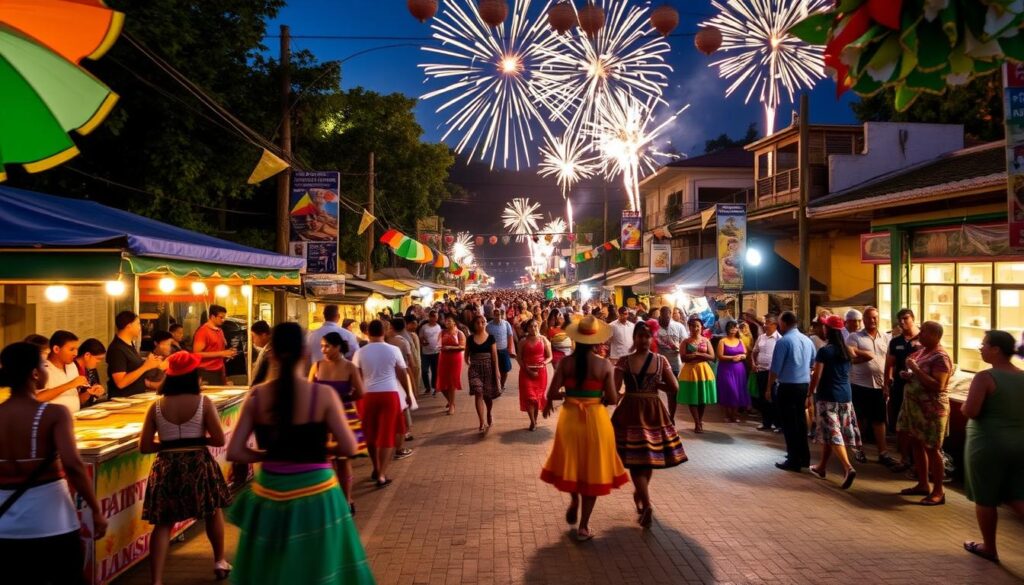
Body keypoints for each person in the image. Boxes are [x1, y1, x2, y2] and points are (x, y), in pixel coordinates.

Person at [227, 323, 372, 584]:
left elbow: (236, 451)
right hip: (318, 495)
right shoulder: (323, 395)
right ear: (305, 354)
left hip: (269, 495)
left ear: (272, 354)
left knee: (271, 571)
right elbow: (349, 447)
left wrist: (268, 454)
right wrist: (318, 448)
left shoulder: (257, 396)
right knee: (319, 570)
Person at [0, 342, 107, 583]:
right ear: (36, 374)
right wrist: (96, 511)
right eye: (43, 365)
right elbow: (73, 465)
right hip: (52, 519)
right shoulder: (53, 414)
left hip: (4, 524)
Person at [139, 352, 232, 583]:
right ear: (193, 376)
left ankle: (157, 580)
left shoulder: (156, 406)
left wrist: (170, 442)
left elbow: (145, 446)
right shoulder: (204, 403)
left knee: (163, 522)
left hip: (167, 465)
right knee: (212, 511)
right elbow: (219, 440)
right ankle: (219, 561)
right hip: (198, 463)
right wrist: (198, 440)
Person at [540, 315, 629, 542]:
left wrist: (567, 395)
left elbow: (551, 393)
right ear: (597, 342)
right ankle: (583, 526)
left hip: (570, 419)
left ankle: (574, 500)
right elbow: (611, 398)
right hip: (596, 422)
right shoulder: (604, 365)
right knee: (593, 471)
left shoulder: (566, 363)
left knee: (572, 464)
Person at [612, 322, 687, 528]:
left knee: (637, 460)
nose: (644, 340)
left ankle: (646, 503)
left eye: (646, 337)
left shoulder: (624, 362)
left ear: (649, 339)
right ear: (635, 338)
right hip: (653, 409)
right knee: (647, 457)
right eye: (641, 336)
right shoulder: (660, 360)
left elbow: (615, 389)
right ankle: (642, 495)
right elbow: (674, 387)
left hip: (631, 410)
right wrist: (655, 385)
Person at [960, 330, 1024, 563]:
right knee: (1016, 494)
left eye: (984, 344)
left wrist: (965, 406)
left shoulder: (985, 377)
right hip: (1019, 443)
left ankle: (989, 547)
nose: (981, 347)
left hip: (988, 444)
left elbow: (972, 411)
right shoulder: (1022, 376)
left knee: (985, 496)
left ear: (996, 349)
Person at [309, 332, 367, 515]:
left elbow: (361, 392)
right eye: (322, 346)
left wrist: (345, 398)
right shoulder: (316, 366)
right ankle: (331, 500)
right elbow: (309, 391)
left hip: (344, 417)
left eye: (327, 346)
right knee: (326, 462)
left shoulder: (350, 367)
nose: (323, 350)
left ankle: (347, 499)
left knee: (343, 461)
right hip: (322, 419)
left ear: (337, 347)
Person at [895, 321, 952, 506]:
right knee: (917, 444)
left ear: (936, 335)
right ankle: (922, 483)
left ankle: (938, 491)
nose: (920, 335)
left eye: (925, 332)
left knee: (932, 448)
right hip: (916, 408)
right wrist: (909, 374)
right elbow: (917, 375)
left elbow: (938, 385)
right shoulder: (922, 352)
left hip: (931, 410)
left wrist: (916, 369)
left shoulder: (940, 357)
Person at [353, 320, 412, 487]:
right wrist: (407, 393)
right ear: (383, 332)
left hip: (368, 395)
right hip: (389, 394)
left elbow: (357, 376)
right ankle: (381, 474)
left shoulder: (360, 352)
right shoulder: (393, 350)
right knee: (387, 435)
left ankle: (376, 467)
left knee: (371, 435)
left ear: (368, 333)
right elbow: (402, 373)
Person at [807, 315, 861, 490]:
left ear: (827, 330)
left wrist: (809, 392)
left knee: (834, 433)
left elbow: (817, 375)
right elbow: (868, 356)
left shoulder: (825, 351)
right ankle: (822, 467)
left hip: (828, 396)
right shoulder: (848, 350)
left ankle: (847, 467)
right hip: (846, 396)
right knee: (830, 433)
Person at [768, 311, 816, 472]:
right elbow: (812, 363)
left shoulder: (784, 341)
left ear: (784, 323)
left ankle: (793, 459)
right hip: (803, 385)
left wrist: (768, 387)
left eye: (780, 323)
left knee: (789, 423)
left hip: (788, 386)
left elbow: (775, 368)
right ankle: (804, 457)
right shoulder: (807, 340)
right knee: (801, 422)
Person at [846, 307, 894, 466]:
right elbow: (850, 358)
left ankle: (883, 452)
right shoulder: (854, 337)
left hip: (879, 386)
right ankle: (858, 450)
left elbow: (889, 362)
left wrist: (887, 382)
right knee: (859, 419)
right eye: (869, 318)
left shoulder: (886, 338)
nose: (872, 320)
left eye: (875, 317)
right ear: (863, 320)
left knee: (879, 420)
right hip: (859, 385)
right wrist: (863, 358)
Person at [883, 308, 922, 472]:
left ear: (913, 319)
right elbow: (889, 364)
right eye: (900, 319)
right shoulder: (895, 341)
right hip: (899, 387)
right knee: (901, 424)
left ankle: (919, 461)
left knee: (917, 424)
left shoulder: (923, 340)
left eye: (906, 318)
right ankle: (904, 458)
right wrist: (886, 384)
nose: (903, 322)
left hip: (919, 388)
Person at [38, 330, 103, 413]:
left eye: (76, 349)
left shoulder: (72, 366)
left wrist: (89, 393)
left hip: (74, 417)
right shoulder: (43, 368)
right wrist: (70, 384)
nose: (76, 353)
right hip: (52, 422)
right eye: (72, 349)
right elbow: (37, 398)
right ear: (56, 349)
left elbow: (77, 400)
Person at [108, 312, 166, 398]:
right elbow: (121, 383)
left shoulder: (130, 344)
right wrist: (145, 366)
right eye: (138, 324)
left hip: (136, 396)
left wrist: (150, 362)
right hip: (123, 400)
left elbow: (133, 368)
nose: (140, 327)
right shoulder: (117, 349)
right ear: (129, 326)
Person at [677, 315, 717, 433]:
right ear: (689, 327)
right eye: (693, 326)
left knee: (702, 397)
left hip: (704, 371)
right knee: (693, 397)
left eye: (698, 326)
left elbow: (712, 357)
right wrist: (700, 356)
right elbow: (683, 357)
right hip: (690, 371)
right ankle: (697, 422)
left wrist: (698, 355)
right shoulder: (685, 341)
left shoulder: (706, 340)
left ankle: (699, 420)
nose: (695, 328)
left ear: (702, 327)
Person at [467, 315, 502, 434]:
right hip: (475, 369)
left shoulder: (491, 338)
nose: (480, 324)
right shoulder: (470, 338)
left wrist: (496, 370)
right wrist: (470, 362)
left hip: (488, 368)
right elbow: (466, 354)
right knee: (478, 392)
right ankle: (481, 422)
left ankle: (488, 412)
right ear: (474, 325)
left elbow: (494, 356)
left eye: (483, 322)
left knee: (487, 395)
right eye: (478, 323)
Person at [517, 318, 552, 431]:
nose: (533, 328)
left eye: (535, 326)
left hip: (540, 372)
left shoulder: (544, 340)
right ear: (527, 328)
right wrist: (527, 369)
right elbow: (519, 358)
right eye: (531, 326)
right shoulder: (523, 341)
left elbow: (549, 356)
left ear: (538, 326)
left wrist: (543, 363)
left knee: (537, 398)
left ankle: (535, 420)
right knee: (529, 396)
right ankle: (532, 421)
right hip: (526, 371)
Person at [192, 305, 237, 386]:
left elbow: (220, 350)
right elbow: (196, 354)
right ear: (212, 316)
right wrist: (222, 353)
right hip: (206, 371)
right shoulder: (203, 331)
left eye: (224, 317)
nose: (223, 320)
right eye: (221, 317)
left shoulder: (219, 330)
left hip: (219, 370)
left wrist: (228, 353)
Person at [656, 307, 688, 420]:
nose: (666, 318)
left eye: (668, 316)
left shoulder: (679, 327)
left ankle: (671, 417)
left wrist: (678, 347)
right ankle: (658, 416)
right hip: (657, 364)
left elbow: (685, 343)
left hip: (674, 364)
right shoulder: (655, 327)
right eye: (664, 316)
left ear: (670, 315)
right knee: (654, 391)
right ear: (660, 315)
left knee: (672, 391)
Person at [715, 321, 750, 423]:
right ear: (727, 329)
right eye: (731, 327)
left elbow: (745, 353)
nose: (734, 329)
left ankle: (734, 415)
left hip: (739, 369)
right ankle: (727, 414)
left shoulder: (740, 340)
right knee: (729, 390)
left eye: (735, 327)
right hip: (726, 369)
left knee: (737, 391)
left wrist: (743, 356)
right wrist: (732, 358)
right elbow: (720, 356)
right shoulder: (723, 341)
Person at [752, 314, 781, 432]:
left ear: (775, 324)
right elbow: (754, 352)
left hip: (773, 373)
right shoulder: (761, 337)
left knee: (773, 398)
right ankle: (766, 422)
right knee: (762, 398)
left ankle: (777, 423)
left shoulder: (779, 339)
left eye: (768, 322)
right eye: (765, 322)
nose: (765, 325)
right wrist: (753, 363)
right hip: (761, 371)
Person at [435, 315, 465, 415]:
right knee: (441, 383)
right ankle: (450, 401)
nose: (447, 323)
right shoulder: (442, 332)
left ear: (454, 323)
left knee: (452, 382)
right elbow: (438, 344)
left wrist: (451, 348)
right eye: (446, 321)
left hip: (455, 359)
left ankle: (451, 405)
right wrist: (439, 347)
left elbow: (463, 346)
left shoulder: (459, 333)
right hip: (443, 358)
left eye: (449, 321)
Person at [486, 309, 517, 391]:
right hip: (493, 351)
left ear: (502, 315)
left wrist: (511, 350)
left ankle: (502, 385)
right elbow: (485, 338)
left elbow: (510, 336)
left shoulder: (506, 324)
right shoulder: (488, 325)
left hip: (504, 351)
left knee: (505, 370)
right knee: (493, 370)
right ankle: (496, 385)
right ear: (493, 315)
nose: (497, 316)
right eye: (495, 314)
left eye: (499, 314)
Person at [73, 338, 107, 407]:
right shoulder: (71, 368)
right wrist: (89, 392)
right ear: (87, 355)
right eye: (98, 359)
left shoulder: (90, 370)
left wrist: (97, 391)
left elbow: (92, 394)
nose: (99, 362)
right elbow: (75, 400)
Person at [419, 311, 442, 394]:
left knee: (435, 370)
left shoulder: (438, 327)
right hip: (426, 352)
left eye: (436, 317)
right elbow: (420, 337)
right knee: (425, 370)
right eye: (432, 316)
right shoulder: (424, 327)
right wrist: (423, 342)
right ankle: (427, 387)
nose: (434, 318)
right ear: (429, 317)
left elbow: (440, 338)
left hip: (436, 352)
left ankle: (434, 386)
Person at [250, 320, 272, 385]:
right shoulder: (265, 349)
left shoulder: (269, 352)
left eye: (254, 337)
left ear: (263, 335)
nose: (252, 340)